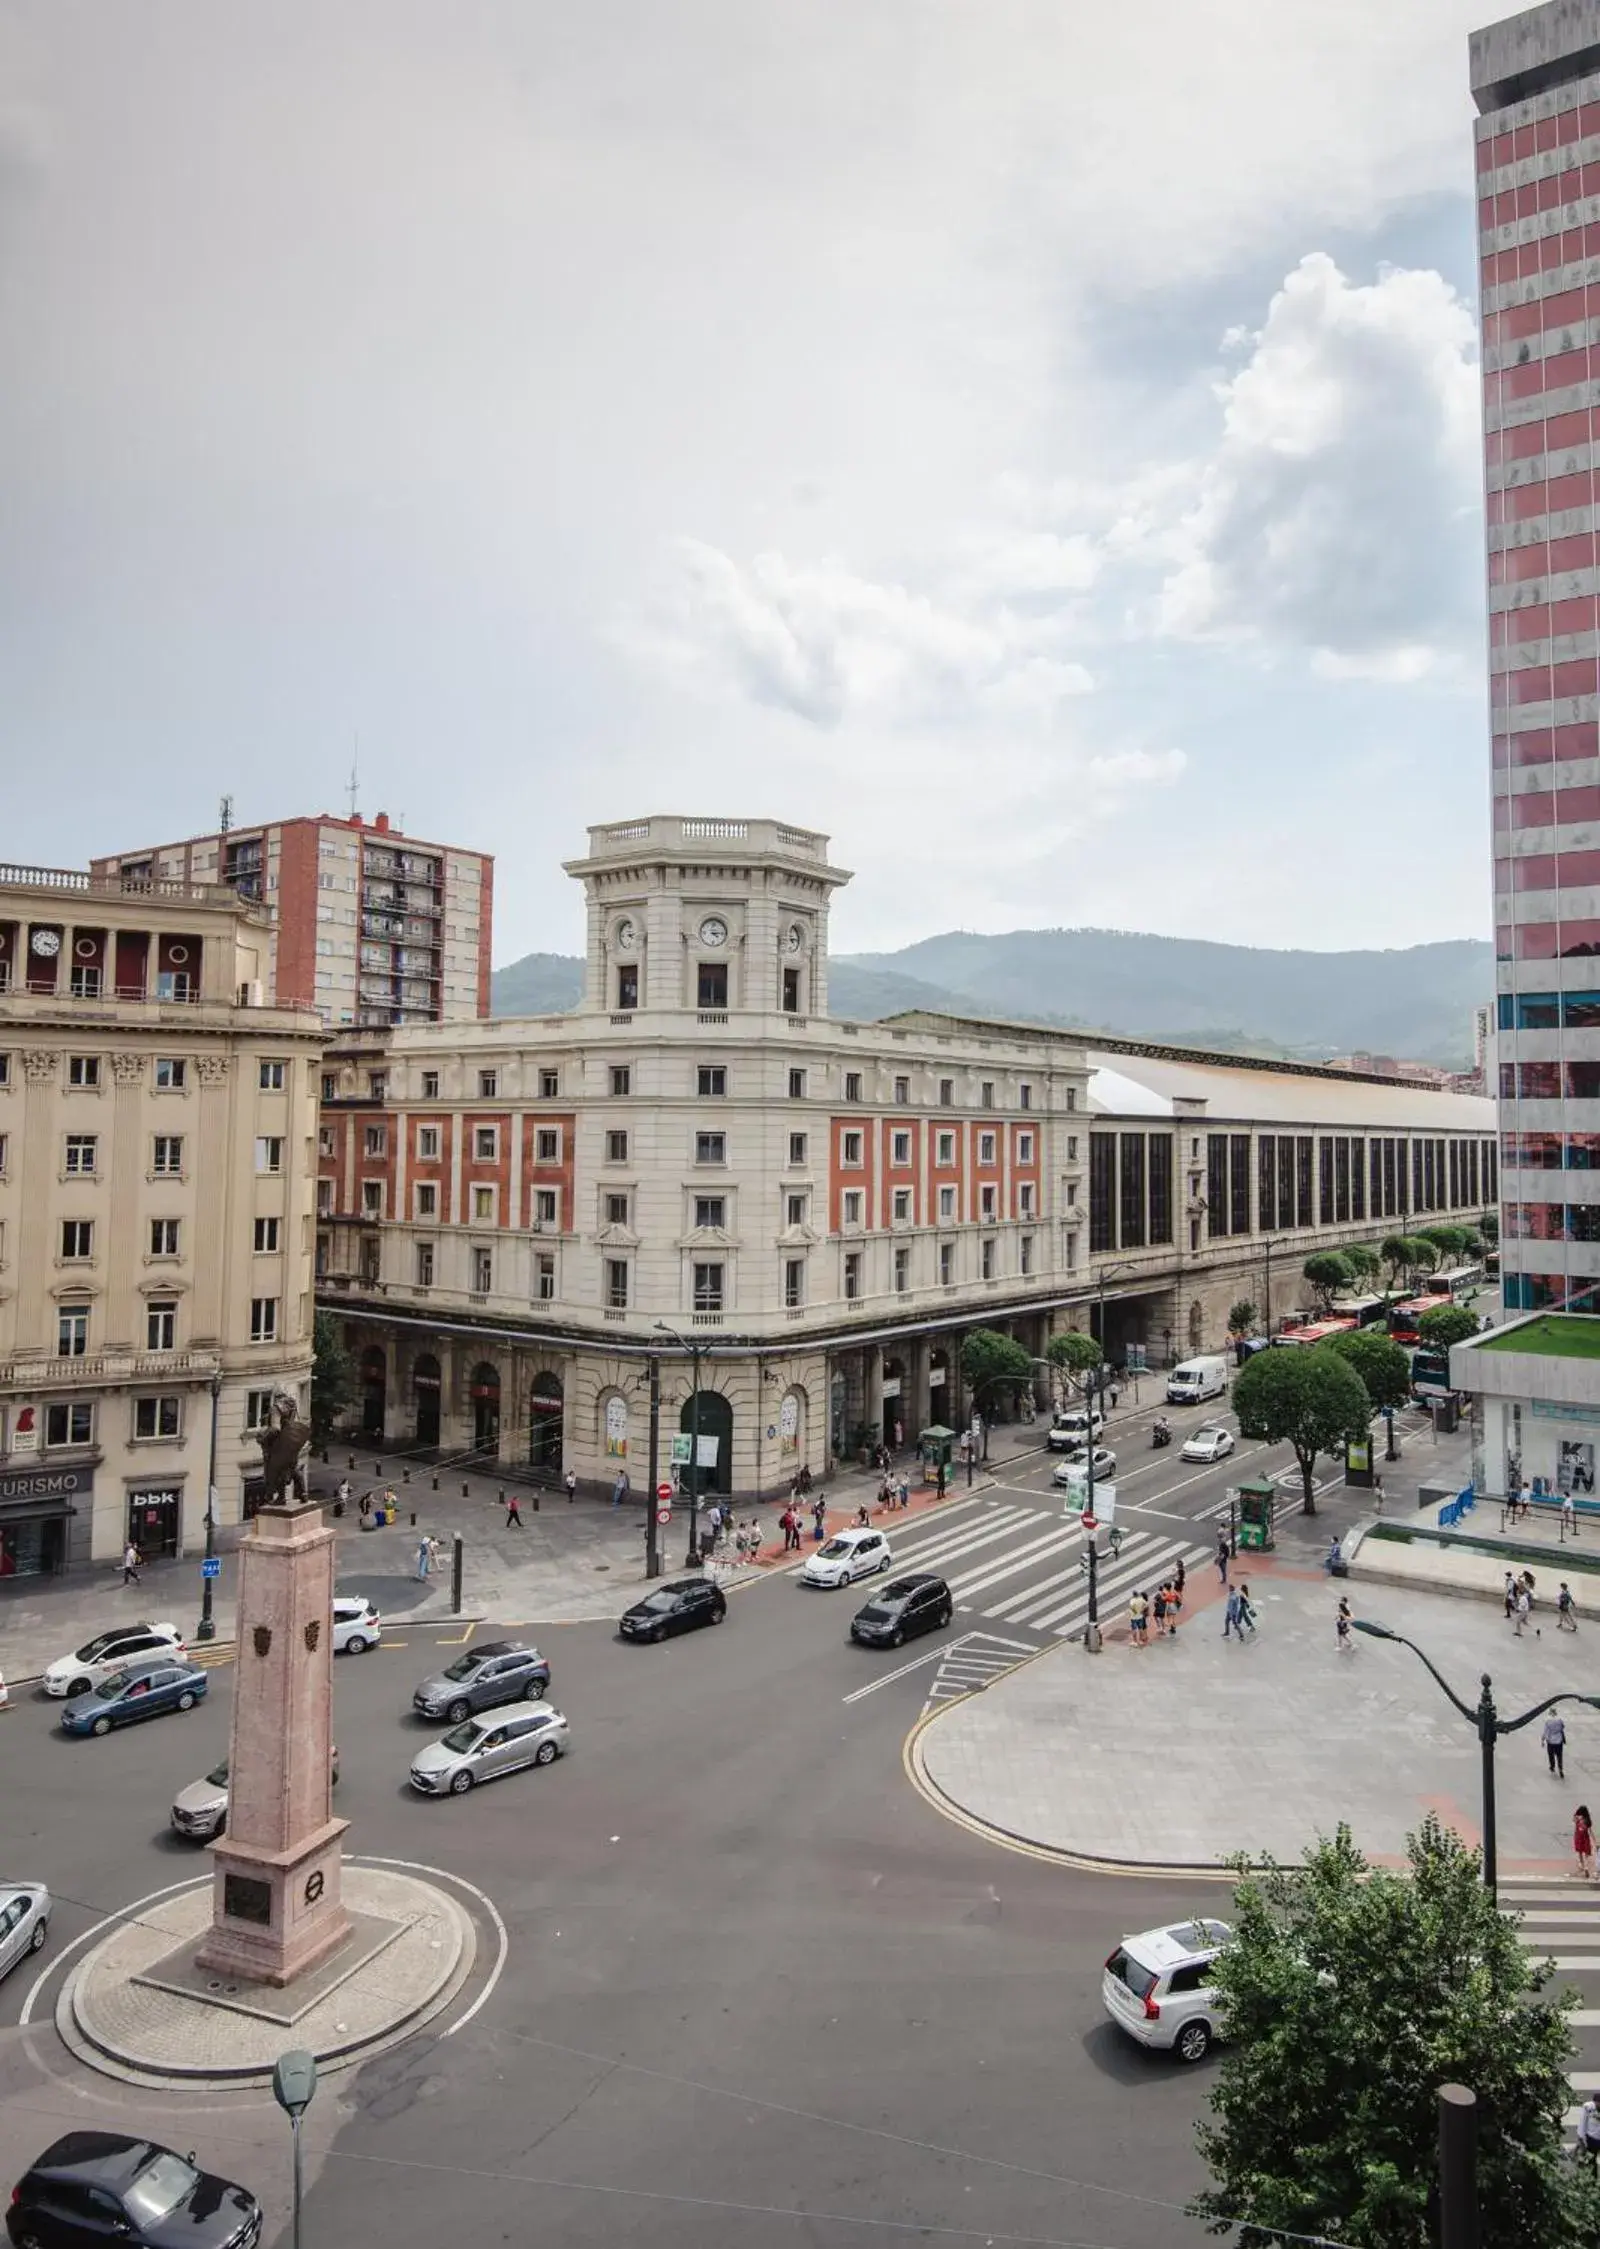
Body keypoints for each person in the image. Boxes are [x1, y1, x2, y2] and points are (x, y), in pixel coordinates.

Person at [1576, 2091, 1600, 2168]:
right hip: (1591, 2137)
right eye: (1598, 2103)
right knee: (1590, 2160)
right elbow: (1583, 2122)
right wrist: (1581, 2137)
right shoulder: (1588, 2107)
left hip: (1598, 2136)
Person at [1544, 1710, 1567, 1778]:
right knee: (1559, 1756)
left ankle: (1552, 1766)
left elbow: (1546, 1731)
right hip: (1559, 1741)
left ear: (1550, 1713)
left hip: (1551, 1741)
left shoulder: (1548, 1721)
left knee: (1551, 1755)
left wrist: (1543, 1740)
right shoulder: (1559, 1720)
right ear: (1555, 1713)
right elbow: (1563, 1727)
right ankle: (1560, 1769)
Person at [1576, 1804, 1595, 1881]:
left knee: (1579, 1852)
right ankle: (1586, 1867)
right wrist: (1595, 1841)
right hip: (1586, 1838)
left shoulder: (1577, 1819)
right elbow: (1590, 1832)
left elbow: (1574, 1819)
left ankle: (1581, 1865)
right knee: (1586, 1854)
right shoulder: (1588, 1820)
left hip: (1578, 1838)